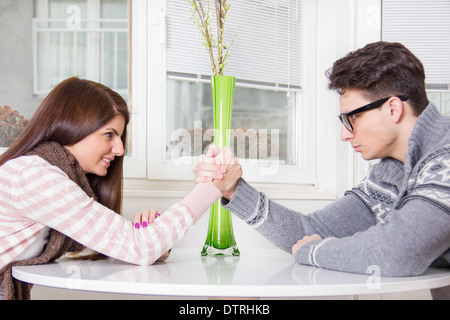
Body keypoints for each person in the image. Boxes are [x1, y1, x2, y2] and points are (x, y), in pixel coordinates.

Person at [194, 42, 450, 299]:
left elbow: (397, 253)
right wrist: (234, 189)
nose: (344, 134)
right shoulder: (390, 173)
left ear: (393, 109)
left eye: (351, 118)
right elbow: (310, 230)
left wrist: (313, 251)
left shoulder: (445, 157)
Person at [0, 77, 241, 300]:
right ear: (71, 126)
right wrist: (213, 187)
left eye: (120, 138)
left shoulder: (48, 175)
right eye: (109, 135)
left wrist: (155, 240)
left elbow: (128, 245)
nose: (120, 150)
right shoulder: (35, 177)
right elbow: (138, 247)